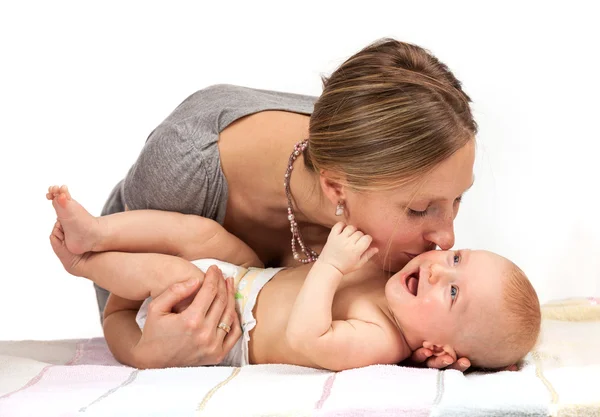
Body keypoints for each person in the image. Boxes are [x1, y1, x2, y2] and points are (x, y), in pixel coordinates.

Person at [97, 38, 480, 370]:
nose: (446, 238)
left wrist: (417, 337)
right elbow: (122, 307)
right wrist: (145, 353)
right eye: (417, 209)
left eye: (458, 199)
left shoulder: (388, 152)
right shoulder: (180, 175)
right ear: (335, 188)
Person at [48, 186, 541, 371]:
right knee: (200, 235)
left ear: (440, 348)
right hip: (248, 277)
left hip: (222, 322)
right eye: (458, 259)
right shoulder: (396, 279)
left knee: (175, 273)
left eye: (453, 291)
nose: (436, 266)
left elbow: (309, 338)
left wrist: (329, 266)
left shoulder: (380, 339)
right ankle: (97, 230)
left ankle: (82, 262)